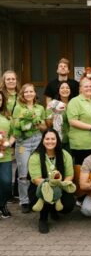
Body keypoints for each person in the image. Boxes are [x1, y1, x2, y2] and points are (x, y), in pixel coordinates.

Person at [28, 129, 76, 233]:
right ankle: (43, 219)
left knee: (68, 205)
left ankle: (53, 209)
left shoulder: (64, 154)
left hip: (60, 186)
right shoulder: (35, 156)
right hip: (41, 187)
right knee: (46, 191)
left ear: (57, 140)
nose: (50, 141)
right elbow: (36, 180)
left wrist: (60, 185)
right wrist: (50, 185)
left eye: (53, 139)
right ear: (43, 140)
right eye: (47, 139)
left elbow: (69, 175)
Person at [13, 83, 46, 213]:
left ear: (34, 93)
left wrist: (36, 123)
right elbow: (15, 125)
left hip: (37, 140)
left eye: (31, 91)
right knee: (23, 173)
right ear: (22, 94)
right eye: (26, 92)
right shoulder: (18, 108)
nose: (29, 94)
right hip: (23, 143)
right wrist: (24, 123)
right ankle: (24, 201)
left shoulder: (40, 108)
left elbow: (44, 127)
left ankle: (35, 198)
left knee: (37, 171)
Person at [67, 78, 91, 165]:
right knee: (82, 172)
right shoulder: (75, 101)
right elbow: (72, 121)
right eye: (86, 86)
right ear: (80, 89)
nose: (89, 88)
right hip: (81, 145)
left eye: (90, 86)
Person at [0, 90, 15, 218]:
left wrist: (9, 143)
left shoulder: (7, 116)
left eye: (0, 99)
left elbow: (14, 133)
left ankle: (2, 204)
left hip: (5, 155)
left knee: (6, 182)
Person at [46, 81, 71, 151]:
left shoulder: (73, 103)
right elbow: (48, 124)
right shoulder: (52, 104)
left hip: (72, 140)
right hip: (57, 139)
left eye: (67, 88)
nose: (65, 90)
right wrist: (55, 115)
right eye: (62, 88)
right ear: (58, 91)